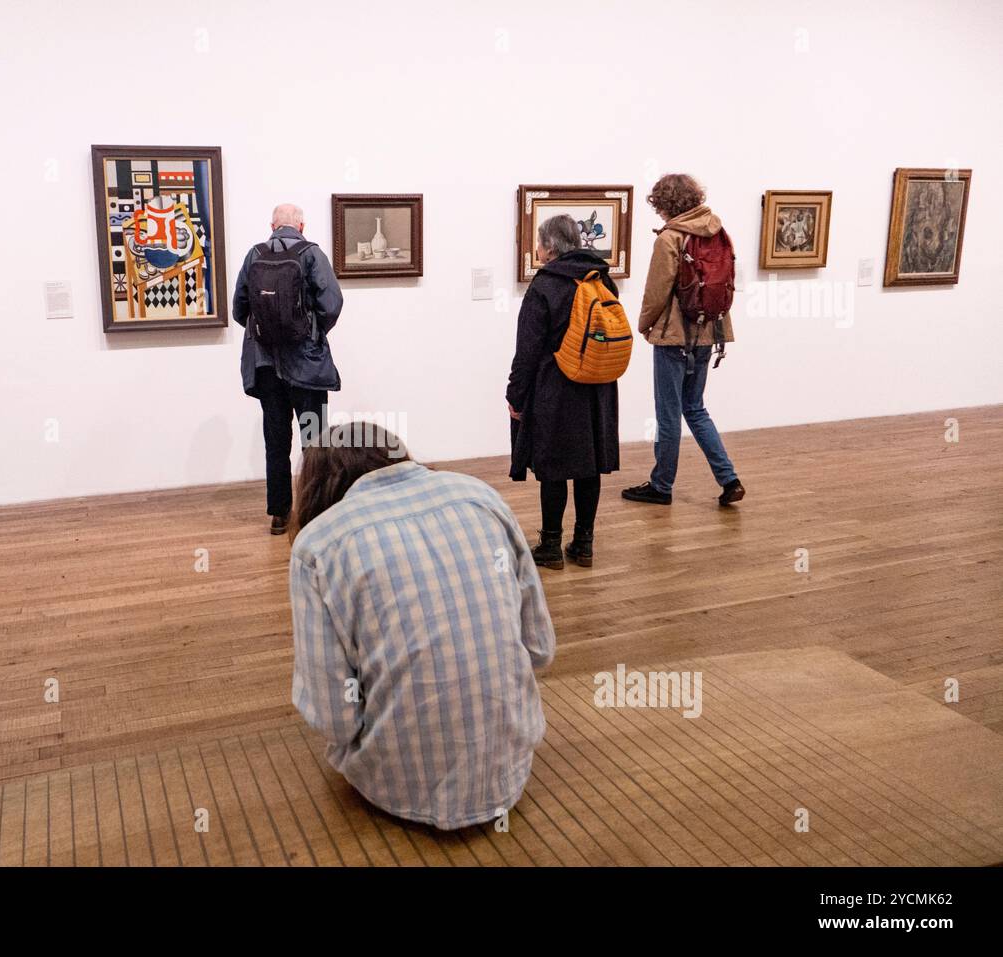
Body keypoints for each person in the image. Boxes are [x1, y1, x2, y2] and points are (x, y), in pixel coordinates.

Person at [288, 423, 555, 830]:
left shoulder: (317, 546)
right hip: (511, 769)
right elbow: (540, 648)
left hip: (394, 787)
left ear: (318, 485)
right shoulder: (480, 496)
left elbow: (335, 720)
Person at [622, 174, 745, 507]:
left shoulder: (670, 238)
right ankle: (728, 478)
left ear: (665, 204)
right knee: (696, 408)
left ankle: (661, 486)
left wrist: (645, 325)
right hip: (709, 333)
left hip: (674, 336)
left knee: (668, 413)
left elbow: (656, 291)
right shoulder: (717, 230)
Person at [506, 215, 620, 569]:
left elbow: (527, 349)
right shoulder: (601, 278)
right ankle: (584, 544)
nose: (537, 250)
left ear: (549, 247)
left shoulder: (545, 285)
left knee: (553, 467)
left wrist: (515, 394)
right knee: (589, 466)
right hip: (597, 388)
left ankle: (551, 546)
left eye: (539, 244)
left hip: (555, 389)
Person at [232, 203, 344, 534]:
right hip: (306, 368)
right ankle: (316, 511)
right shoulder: (311, 254)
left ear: (272, 226)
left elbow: (240, 307)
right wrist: (309, 332)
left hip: (266, 367)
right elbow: (332, 303)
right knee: (315, 441)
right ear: (302, 226)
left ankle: (279, 514)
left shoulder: (254, 255)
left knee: (276, 439)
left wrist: (266, 334)